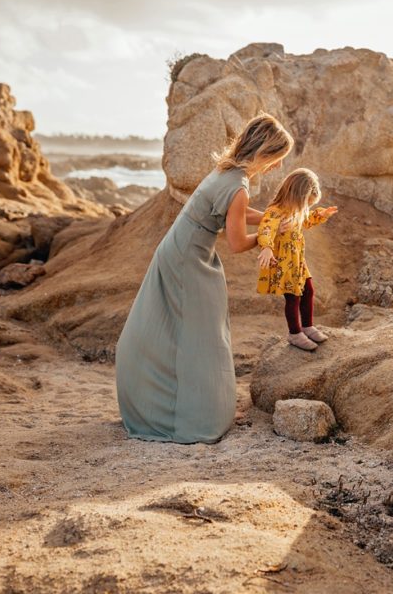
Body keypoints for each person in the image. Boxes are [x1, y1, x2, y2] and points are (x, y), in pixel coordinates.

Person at [116, 113, 294, 443]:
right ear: (263, 153)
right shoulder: (237, 186)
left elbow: (233, 214)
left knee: (186, 329)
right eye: (275, 161)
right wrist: (272, 235)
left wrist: (273, 217)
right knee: (203, 333)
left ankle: (184, 405)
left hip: (183, 250)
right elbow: (238, 240)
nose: (275, 168)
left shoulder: (226, 172)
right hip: (188, 259)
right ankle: (196, 416)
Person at [255, 168, 338, 351]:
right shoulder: (276, 211)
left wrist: (320, 215)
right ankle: (295, 333)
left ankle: (307, 326)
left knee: (308, 291)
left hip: (298, 261)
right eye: (306, 204)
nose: (305, 208)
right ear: (297, 195)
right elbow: (265, 229)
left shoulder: (296, 212)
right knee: (293, 298)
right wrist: (267, 248)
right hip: (284, 263)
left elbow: (306, 221)